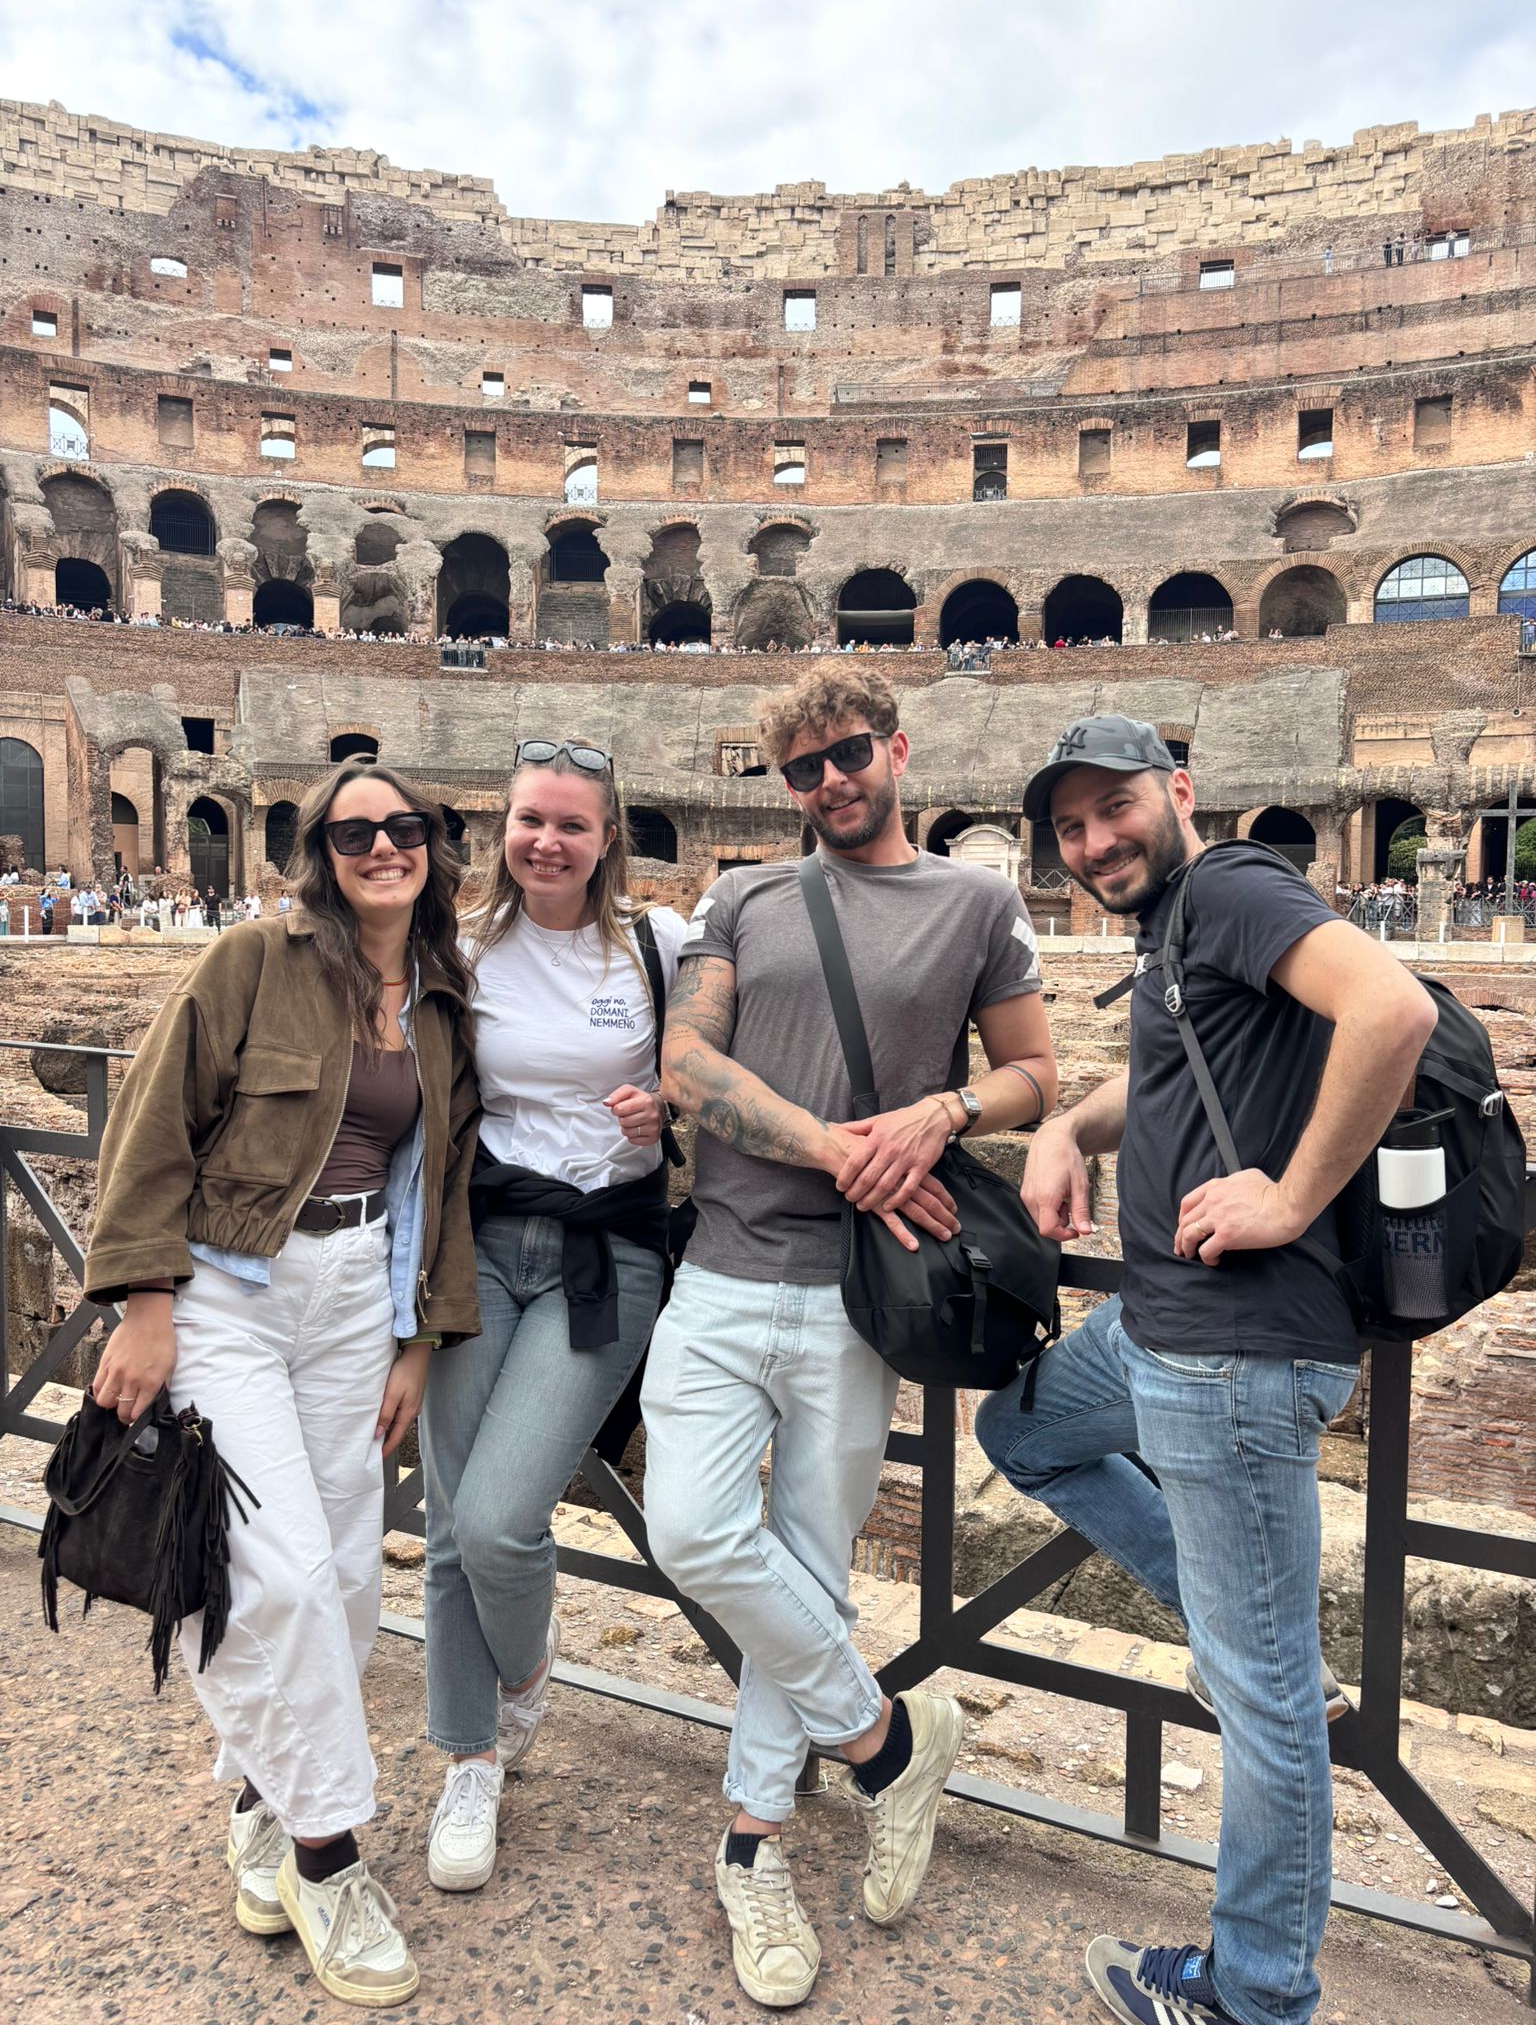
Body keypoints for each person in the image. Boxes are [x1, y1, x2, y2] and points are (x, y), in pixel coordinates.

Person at [976, 716, 1436, 2025]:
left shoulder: (1229, 885)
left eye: (1114, 807)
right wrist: (1065, 1127)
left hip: (1234, 1359)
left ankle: (1256, 1994)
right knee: (1023, 1432)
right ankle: (1258, 1643)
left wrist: (1289, 1197)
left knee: (1265, 1705)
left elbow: (1392, 1009)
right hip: (1161, 1336)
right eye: (1070, 827)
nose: (1093, 841)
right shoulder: (1178, 928)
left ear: (1177, 791)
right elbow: (1165, 1079)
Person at [642, 662, 1058, 2008]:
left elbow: (1033, 1072)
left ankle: (752, 1845)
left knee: (811, 1574)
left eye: (849, 754)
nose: (828, 781)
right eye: (803, 767)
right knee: (693, 1533)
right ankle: (890, 1744)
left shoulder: (976, 903)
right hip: (723, 1271)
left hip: (858, 1296)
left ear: (897, 748)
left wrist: (946, 1114)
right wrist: (839, 1148)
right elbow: (686, 1068)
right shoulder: (746, 897)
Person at [83, 759, 482, 2009]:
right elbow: (151, 1124)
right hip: (230, 1289)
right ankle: (327, 1856)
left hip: (361, 1294)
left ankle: (263, 1793)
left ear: (431, 846)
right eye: (355, 832)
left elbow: (444, 1180)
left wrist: (419, 1338)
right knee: (283, 1576)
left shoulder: (439, 996)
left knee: (350, 1575)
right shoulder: (253, 960)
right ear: (321, 853)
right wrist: (146, 1304)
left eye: (403, 827)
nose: (383, 847)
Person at [419, 738, 686, 1892]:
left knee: (497, 1517)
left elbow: (722, 1064)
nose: (548, 840)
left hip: (605, 1253)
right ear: (503, 826)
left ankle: (524, 1671)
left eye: (572, 823)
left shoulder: (659, 944)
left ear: (607, 836)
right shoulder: (461, 944)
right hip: (475, 1244)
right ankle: (468, 1755)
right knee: (448, 1522)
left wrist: (671, 1102)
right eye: (531, 818)